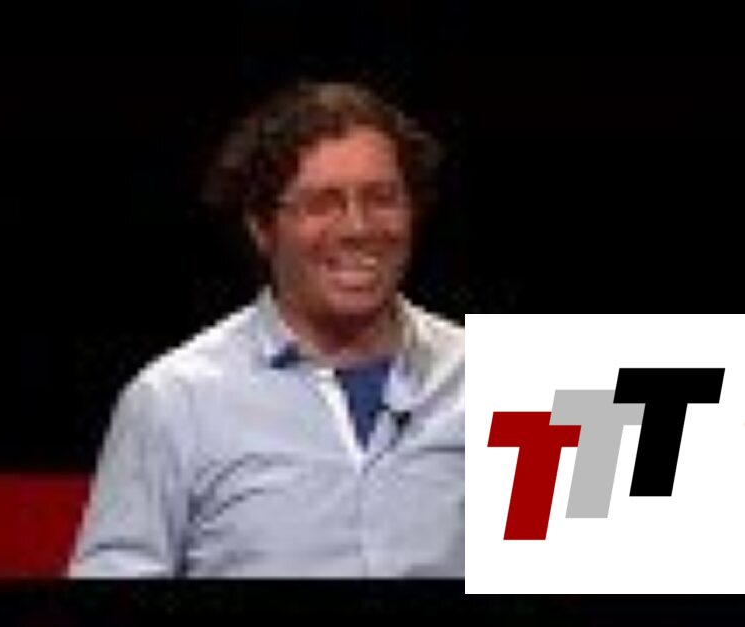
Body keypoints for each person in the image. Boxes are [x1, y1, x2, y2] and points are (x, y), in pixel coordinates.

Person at [68, 81, 464, 578]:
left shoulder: (516, 382)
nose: (358, 227)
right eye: (322, 203)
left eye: (382, 198)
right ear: (261, 226)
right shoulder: (174, 400)